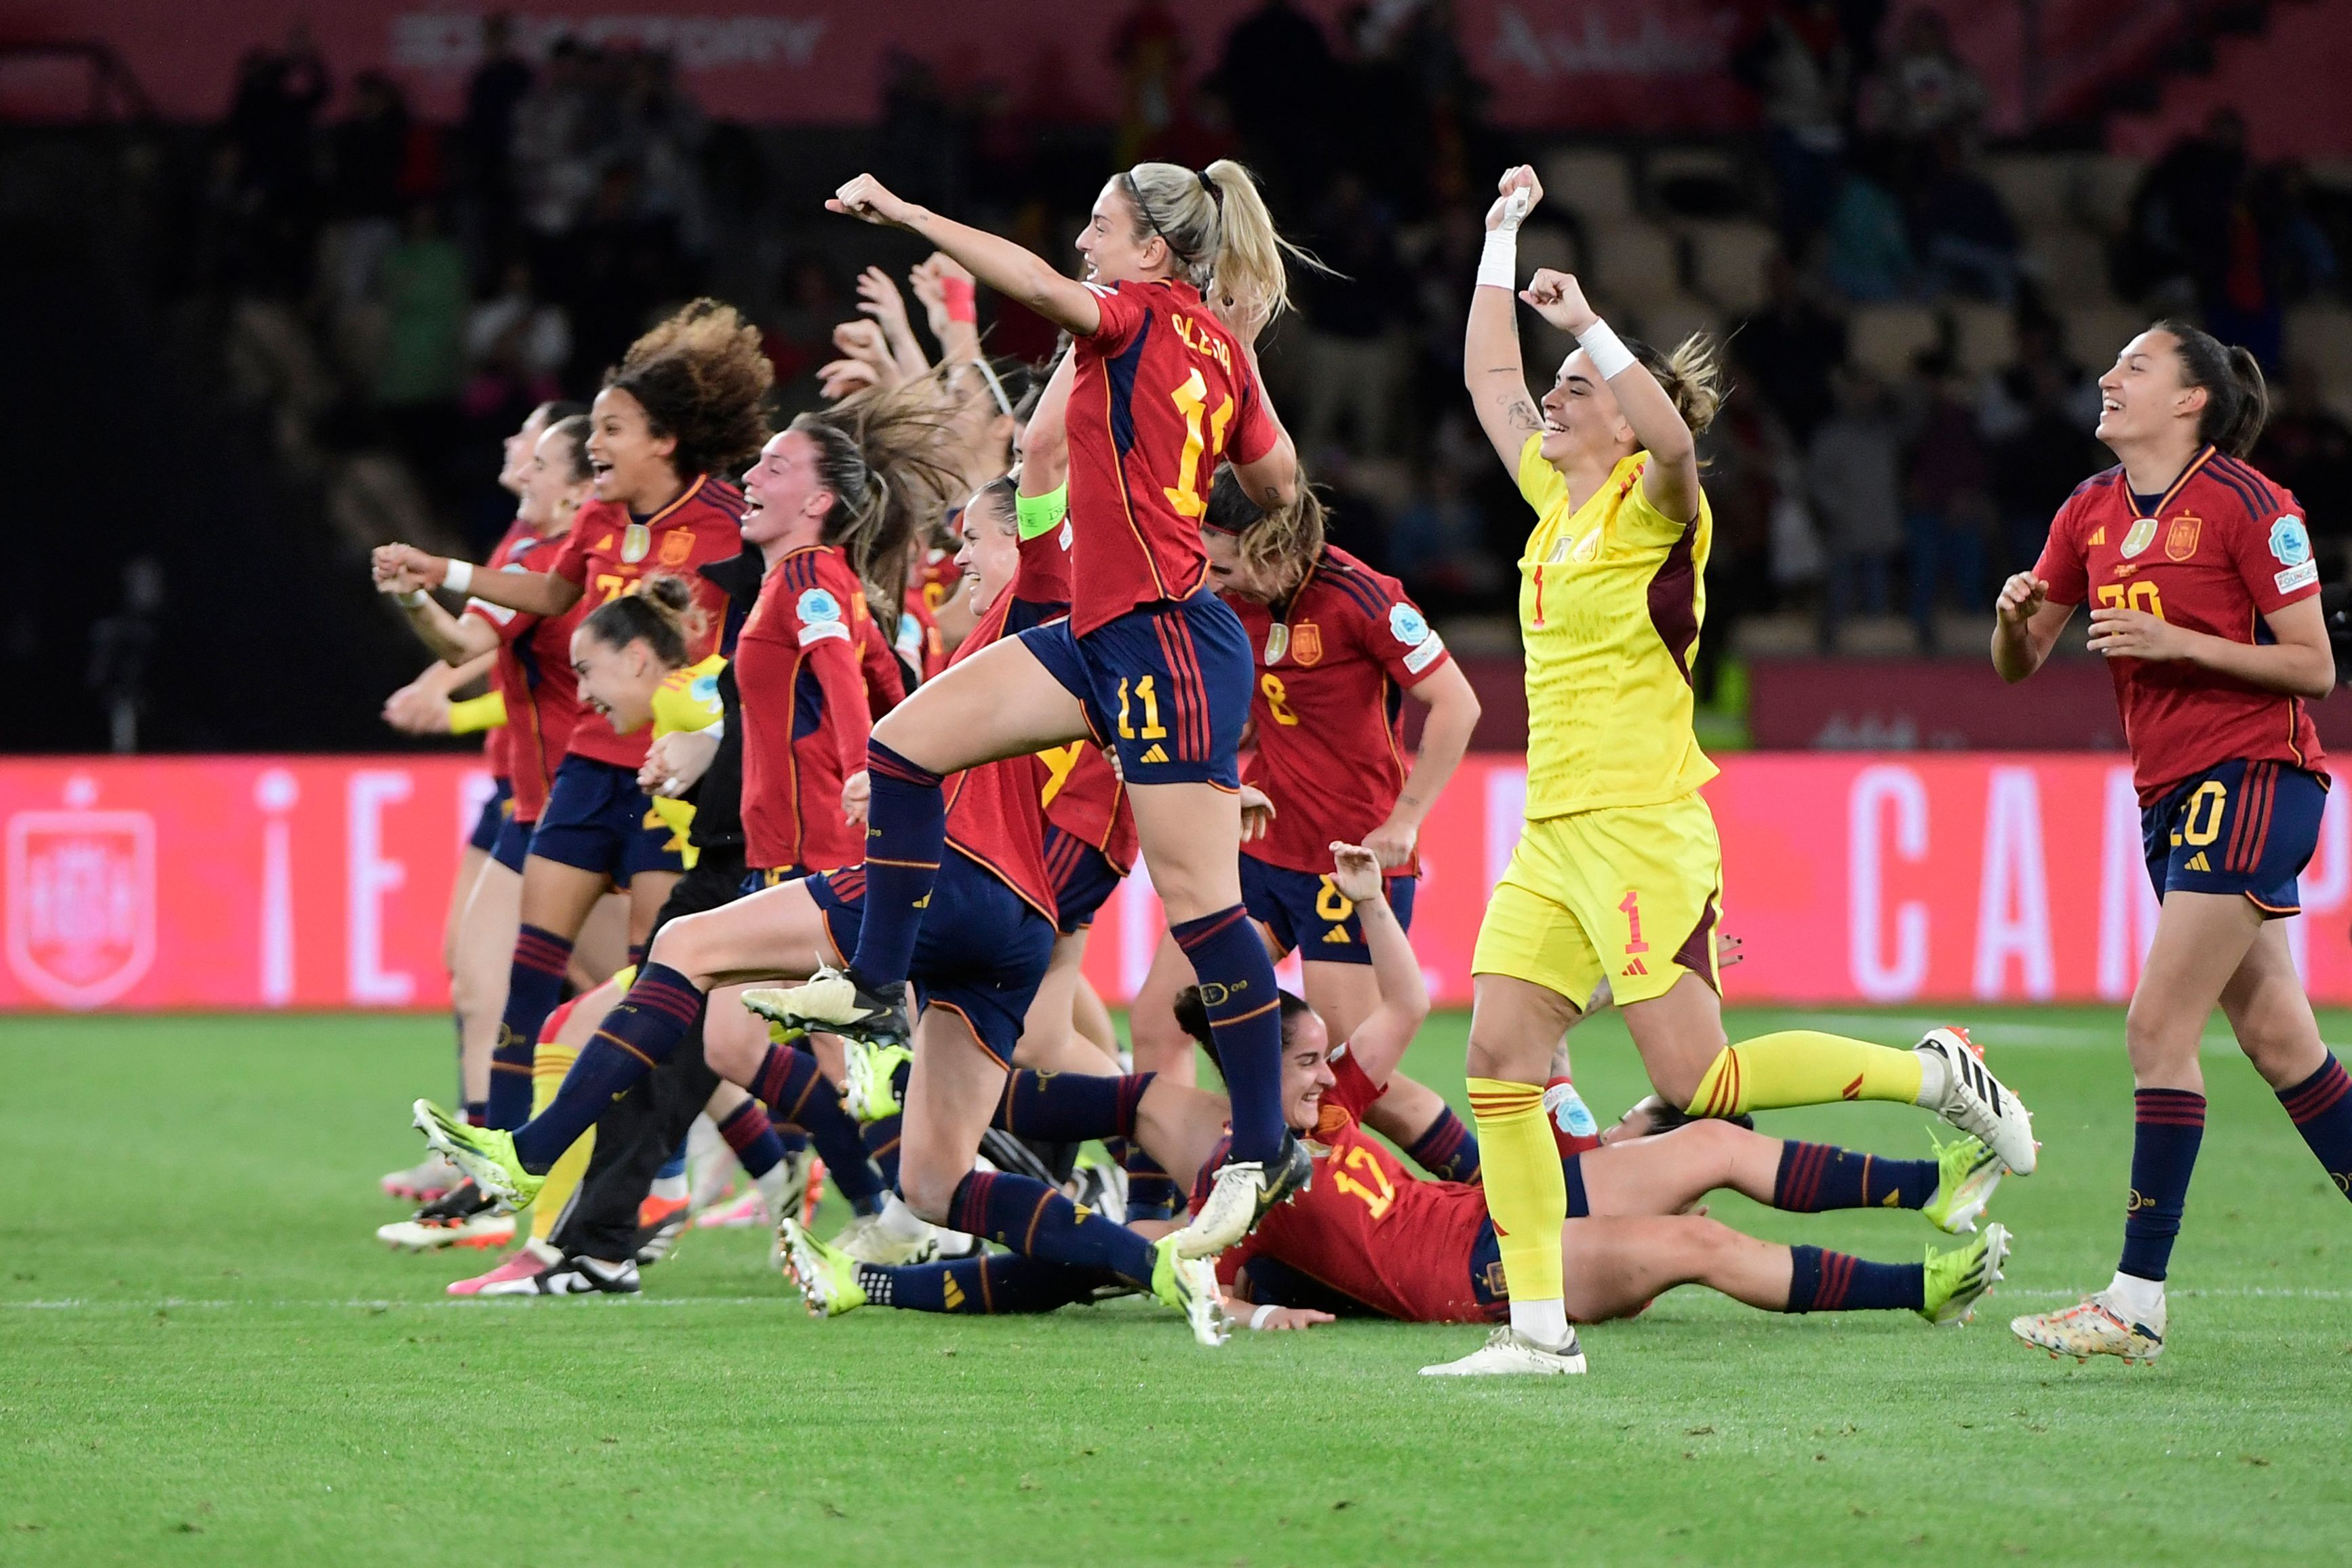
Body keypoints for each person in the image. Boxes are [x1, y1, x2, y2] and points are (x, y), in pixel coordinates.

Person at [1438, 163, 2037, 1376]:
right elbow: (1483, 377)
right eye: (1557, 387)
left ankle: (1933, 1071)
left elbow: (1664, 430)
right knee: (1498, 1055)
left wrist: (1589, 327)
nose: (1549, 399)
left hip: (1644, 826)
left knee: (1693, 1077)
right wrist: (1498, 239)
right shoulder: (1551, 504)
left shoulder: (1661, 508)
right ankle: (1539, 1333)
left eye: (1574, 390)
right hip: (1553, 831)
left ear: (1617, 411)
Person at [754, 158, 1322, 1258]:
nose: (1082, 244)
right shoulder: (1216, 350)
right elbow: (1281, 485)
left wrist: (910, 209)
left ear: (1153, 250)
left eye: (1100, 226)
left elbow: (1027, 279)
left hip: (1158, 636)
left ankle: (1260, 1145)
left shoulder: (1136, 317)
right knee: (906, 744)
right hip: (1105, 635)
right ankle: (875, 983)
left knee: (1204, 907)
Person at [782, 846, 2012, 1337]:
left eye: (1322, 1058)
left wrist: (1369, 900)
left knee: (1711, 1147)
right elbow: (1118, 1260)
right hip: (1468, 1277)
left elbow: (1412, 1016)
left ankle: (1937, 1184)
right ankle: (1924, 1289)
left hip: (1491, 1214)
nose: (1334, 1074)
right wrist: (1260, 1315)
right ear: (1258, 1065)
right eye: (1309, 1059)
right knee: (1692, 1234)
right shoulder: (1228, 1172)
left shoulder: (1320, 1109)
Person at [1994, 321, 2351, 1363]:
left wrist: (2176, 642)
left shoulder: (2249, 503)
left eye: (2135, 367)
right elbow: (2022, 662)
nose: (2107, 378)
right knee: (2283, 1043)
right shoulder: (2090, 512)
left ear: (2191, 400)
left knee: (2158, 1029)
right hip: (2170, 799)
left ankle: (2135, 1300)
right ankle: (2134, 1300)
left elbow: (2314, 668)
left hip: (2252, 780)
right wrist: (2015, 619)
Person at [374, 300, 770, 1131]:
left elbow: (755, 651)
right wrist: (443, 568)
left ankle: (663, 1176)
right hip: (586, 770)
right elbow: (552, 592)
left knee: (646, 987)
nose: (597, 445)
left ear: (665, 440)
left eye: (612, 428)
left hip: (677, 782)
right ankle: (503, 1152)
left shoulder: (729, 528)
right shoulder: (595, 519)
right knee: (529, 971)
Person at [1122, 463, 1480, 1198]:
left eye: (1224, 564)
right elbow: (1253, 708)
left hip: (1346, 866)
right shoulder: (1230, 599)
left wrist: (1405, 819)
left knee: (1355, 1077)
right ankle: (1153, 1211)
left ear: (1273, 546)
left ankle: (1519, 1201)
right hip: (1262, 852)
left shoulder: (1365, 598)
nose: (1212, 580)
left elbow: (1458, 704)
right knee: (1162, 1012)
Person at [376, 402, 586, 1171]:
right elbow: (477, 638)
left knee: (649, 999)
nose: (514, 452)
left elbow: (508, 658)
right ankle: (480, 1160)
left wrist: (454, 708)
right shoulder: (527, 547)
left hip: (581, 800)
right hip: (529, 797)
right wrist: (412, 599)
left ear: (574, 484)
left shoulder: (583, 560)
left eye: (531, 446)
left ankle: (763, 1147)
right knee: (479, 973)